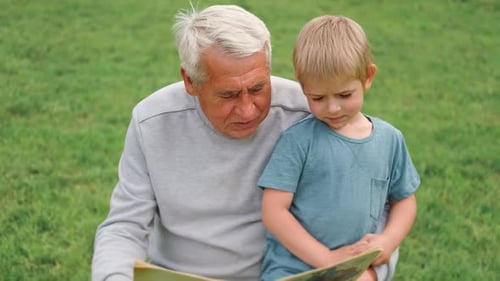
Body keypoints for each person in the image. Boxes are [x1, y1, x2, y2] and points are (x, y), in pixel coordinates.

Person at [92, 5, 398, 281]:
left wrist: (370, 273)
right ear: (190, 81)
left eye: (258, 88)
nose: (248, 109)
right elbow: (124, 226)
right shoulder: (152, 122)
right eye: (228, 95)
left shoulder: (311, 112)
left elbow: (377, 209)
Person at [258, 15, 420, 281]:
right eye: (318, 97)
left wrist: (388, 240)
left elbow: (404, 200)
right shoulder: (297, 141)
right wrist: (326, 259)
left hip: (353, 268)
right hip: (292, 270)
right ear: (303, 87)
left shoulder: (389, 139)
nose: (332, 108)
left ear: (368, 77)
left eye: (344, 95)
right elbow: (273, 211)